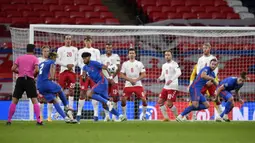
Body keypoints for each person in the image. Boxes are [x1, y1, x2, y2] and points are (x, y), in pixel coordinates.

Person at [81, 52, 124, 123]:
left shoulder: (94, 63)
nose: (84, 60)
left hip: (103, 81)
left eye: (85, 58)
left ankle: (108, 102)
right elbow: (84, 77)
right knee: (104, 106)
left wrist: (110, 77)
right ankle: (120, 116)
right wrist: (84, 77)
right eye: (83, 58)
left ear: (88, 57)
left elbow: (106, 67)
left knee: (89, 94)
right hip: (99, 84)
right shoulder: (84, 67)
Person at [7, 44, 42, 125]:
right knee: (34, 100)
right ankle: (39, 121)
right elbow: (37, 70)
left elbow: (12, 68)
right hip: (29, 80)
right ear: (33, 50)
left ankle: (9, 120)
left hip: (20, 80)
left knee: (14, 100)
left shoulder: (20, 58)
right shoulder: (34, 58)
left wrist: (20, 72)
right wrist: (34, 75)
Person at [37, 52, 77, 123]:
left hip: (39, 85)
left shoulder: (41, 64)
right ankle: (66, 106)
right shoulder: (51, 62)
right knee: (60, 89)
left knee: (54, 100)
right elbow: (52, 67)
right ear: (53, 57)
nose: (56, 59)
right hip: (46, 83)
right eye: (55, 57)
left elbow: (36, 72)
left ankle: (65, 118)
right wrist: (52, 76)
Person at [190, 43, 223, 120]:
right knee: (196, 97)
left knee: (215, 97)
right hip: (202, 83)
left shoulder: (213, 58)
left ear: (210, 48)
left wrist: (211, 80)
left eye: (206, 48)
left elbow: (215, 71)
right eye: (203, 48)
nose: (204, 49)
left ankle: (222, 115)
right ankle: (194, 116)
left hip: (211, 82)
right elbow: (198, 72)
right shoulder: (200, 59)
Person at [77, 36, 101, 122]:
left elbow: (99, 62)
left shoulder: (96, 51)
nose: (88, 42)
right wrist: (85, 70)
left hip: (94, 75)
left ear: (91, 41)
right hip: (84, 74)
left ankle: (96, 114)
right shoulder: (80, 51)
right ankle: (79, 113)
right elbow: (79, 62)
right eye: (86, 40)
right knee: (82, 93)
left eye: (89, 40)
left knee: (94, 93)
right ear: (84, 42)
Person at [120, 48, 147, 121]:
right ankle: (124, 115)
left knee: (144, 100)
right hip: (128, 84)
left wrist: (136, 80)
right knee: (123, 100)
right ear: (128, 55)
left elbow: (144, 74)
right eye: (130, 53)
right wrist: (130, 80)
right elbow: (121, 75)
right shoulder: (125, 64)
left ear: (135, 54)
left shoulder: (139, 63)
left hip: (138, 84)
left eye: (133, 53)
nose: (131, 54)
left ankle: (144, 116)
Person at [157, 50, 181, 121]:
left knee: (169, 103)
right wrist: (159, 78)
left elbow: (179, 73)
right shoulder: (164, 65)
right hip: (166, 87)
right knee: (160, 101)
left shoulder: (175, 64)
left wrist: (171, 80)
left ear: (171, 56)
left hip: (173, 86)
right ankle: (166, 118)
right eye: (166, 55)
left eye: (168, 55)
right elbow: (163, 75)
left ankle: (178, 117)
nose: (167, 56)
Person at [100, 42, 121, 121]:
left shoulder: (116, 56)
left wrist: (111, 77)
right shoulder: (101, 57)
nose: (108, 49)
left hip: (114, 81)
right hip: (104, 81)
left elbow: (118, 68)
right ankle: (107, 116)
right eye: (107, 47)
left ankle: (114, 116)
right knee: (105, 98)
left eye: (110, 48)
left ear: (112, 48)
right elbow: (99, 69)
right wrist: (106, 78)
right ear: (105, 48)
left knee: (115, 98)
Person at [56, 35, 78, 109]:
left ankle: (70, 108)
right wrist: (66, 65)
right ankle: (58, 110)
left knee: (71, 90)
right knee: (60, 90)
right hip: (63, 72)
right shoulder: (60, 49)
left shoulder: (75, 49)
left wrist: (73, 65)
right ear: (64, 40)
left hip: (72, 72)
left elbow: (77, 60)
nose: (68, 40)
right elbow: (57, 60)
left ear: (71, 40)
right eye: (67, 39)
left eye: (69, 39)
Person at [37, 45, 54, 122]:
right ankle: (41, 116)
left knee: (50, 99)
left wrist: (52, 77)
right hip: (41, 82)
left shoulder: (51, 60)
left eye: (47, 51)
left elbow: (53, 69)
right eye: (45, 51)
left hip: (49, 82)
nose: (46, 52)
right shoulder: (38, 60)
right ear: (42, 52)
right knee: (41, 100)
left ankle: (49, 117)